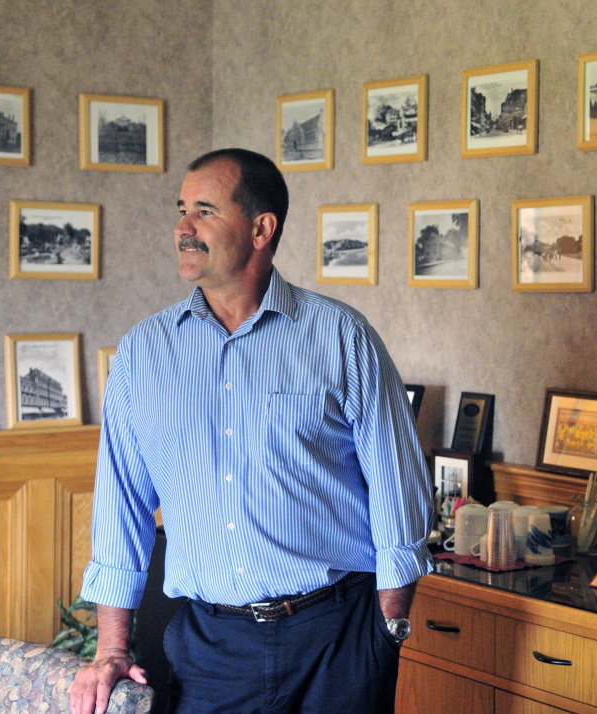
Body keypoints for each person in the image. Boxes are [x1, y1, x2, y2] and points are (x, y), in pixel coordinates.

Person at [70, 148, 433, 714]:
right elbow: (120, 510)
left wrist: (388, 624)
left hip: (337, 638)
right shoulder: (144, 354)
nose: (182, 228)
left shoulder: (342, 339)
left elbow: (399, 492)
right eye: (182, 209)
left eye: (205, 211)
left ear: (262, 228)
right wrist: (111, 648)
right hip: (212, 649)